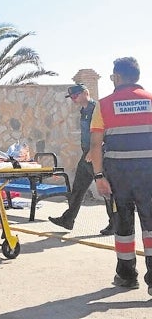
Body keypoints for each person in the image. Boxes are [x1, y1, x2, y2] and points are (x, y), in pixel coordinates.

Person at [89, 57, 152, 295]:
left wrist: (98, 176)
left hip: (119, 178)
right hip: (149, 175)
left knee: (123, 226)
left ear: (116, 77)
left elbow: (95, 145)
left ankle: (126, 277)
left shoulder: (103, 105)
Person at [48, 83, 114, 235]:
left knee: (105, 190)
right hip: (86, 155)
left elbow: (105, 130)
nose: (73, 98)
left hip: (95, 154)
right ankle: (68, 220)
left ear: (85, 92)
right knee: (78, 188)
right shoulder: (83, 110)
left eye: (75, 95)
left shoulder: (96, 108)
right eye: (71, 96)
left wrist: (93, 150)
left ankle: (115, 224)